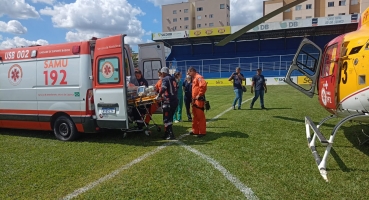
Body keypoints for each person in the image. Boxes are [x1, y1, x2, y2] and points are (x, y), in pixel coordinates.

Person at [155, 67, 178, 140]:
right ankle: (167, 133)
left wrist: (158, 95)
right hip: (174, 100)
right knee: (169, 118)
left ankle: (170, 134)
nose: (161, 74)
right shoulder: (173, 78)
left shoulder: (165, 79)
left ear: (164, 73)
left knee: (167, 118)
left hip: (169, 101)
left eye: (161, 73)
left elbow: (163, 88)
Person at [187, 66, 207, 137]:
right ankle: (195, 131)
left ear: (192, 71)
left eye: (189, 72)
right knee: (195, 116)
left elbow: (203, 85)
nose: (188, 73)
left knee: (200, 116)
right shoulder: (194, 78)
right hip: (194, 100)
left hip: (198, 100)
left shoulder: (199, 77)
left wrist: (200, 94)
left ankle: (202, 132)